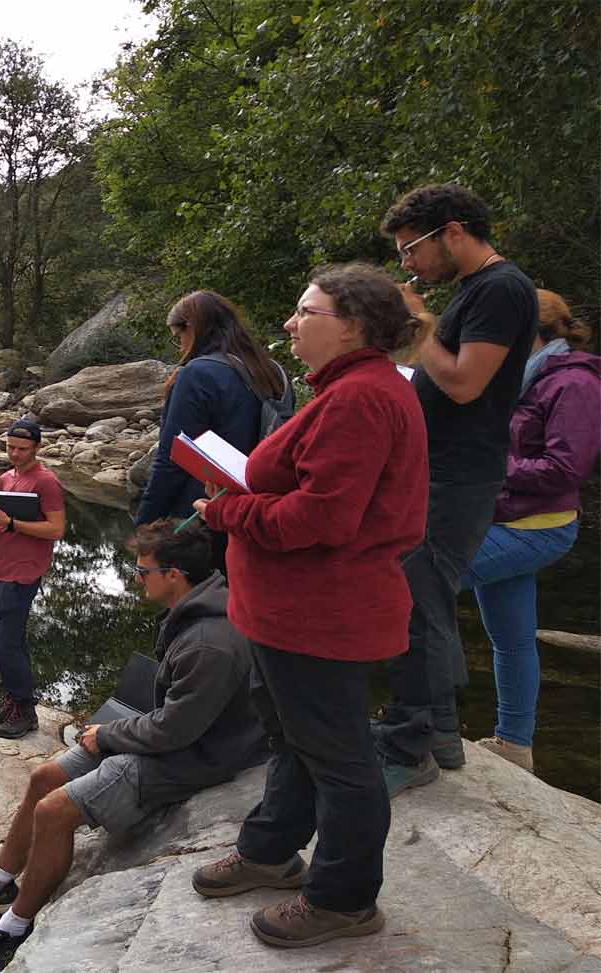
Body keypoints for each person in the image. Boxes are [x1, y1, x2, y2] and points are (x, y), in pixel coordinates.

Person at [191, 263, 427, 948]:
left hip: (322, 613)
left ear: (350, 325)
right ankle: (271, 849)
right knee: (294, 734)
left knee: (342, 758)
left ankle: (344, 899)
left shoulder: (359, 399)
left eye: (306, 312)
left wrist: (232, 510)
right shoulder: (347, 390)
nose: (290, 325)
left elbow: (322, 518)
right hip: (290, 610)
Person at [0, 520, 264, 973]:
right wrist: (115, 730)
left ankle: (16, 926)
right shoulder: (194, 606)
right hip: (168, 734)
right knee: (44, 777)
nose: (136, 577)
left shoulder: (210, 644)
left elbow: (175, 733)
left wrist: (108, 734)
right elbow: (171, 714)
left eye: (143, 570)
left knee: (54, 812)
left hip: (193, 758)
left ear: (174, 575)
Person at [372, 183, 539, 794]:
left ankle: (411, 746)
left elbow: (466, 384)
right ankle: (437, 734)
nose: (407, 264)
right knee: (424, 597)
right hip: (443, 470)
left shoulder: (500, 288)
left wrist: (419, 324)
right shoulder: (481, 290)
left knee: (416, 601)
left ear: (454, 232)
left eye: (411, 249)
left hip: (457, 475)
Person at [460, 291, 599, 772]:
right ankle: (515, 746)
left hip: (538, 528)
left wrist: (488, 464)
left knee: (415, 585)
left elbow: (565, 469)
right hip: (506, 518)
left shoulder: (574, 384)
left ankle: (423, 726)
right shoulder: (523, 377)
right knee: (511, 637)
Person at [136, 291, 290, 530]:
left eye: (178, 337)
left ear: (192, 328)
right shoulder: (273, 372)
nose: (180, 347)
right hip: (259, 510)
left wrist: (144, 525)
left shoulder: (197, 374)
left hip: (202, 514)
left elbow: (171, 459)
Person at [0, 419, 65, 740]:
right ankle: (14, 701)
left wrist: (11, 523)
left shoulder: (46, 482)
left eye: (22, 449)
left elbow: (56, 529)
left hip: (23, 573)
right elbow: (1, 522)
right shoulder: (6, 477)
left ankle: (26, 713)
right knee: (13, 643)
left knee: (5, 646)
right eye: (10, 447)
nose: (14, 454)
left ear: (37, 447)